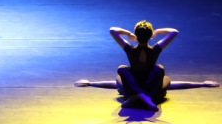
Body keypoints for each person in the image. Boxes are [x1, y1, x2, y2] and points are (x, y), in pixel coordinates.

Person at [74, 21, 219, 111]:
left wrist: (128, 34)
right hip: (152, 89)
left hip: (132, 87)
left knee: (122, 70)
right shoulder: (156, 49)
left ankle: (137, 95)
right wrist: (158, 32)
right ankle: (145, 96)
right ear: (150, 36)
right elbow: (174, 32)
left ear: (136, 35)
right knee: (161, 71)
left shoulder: (129, 49)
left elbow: (112, 30)